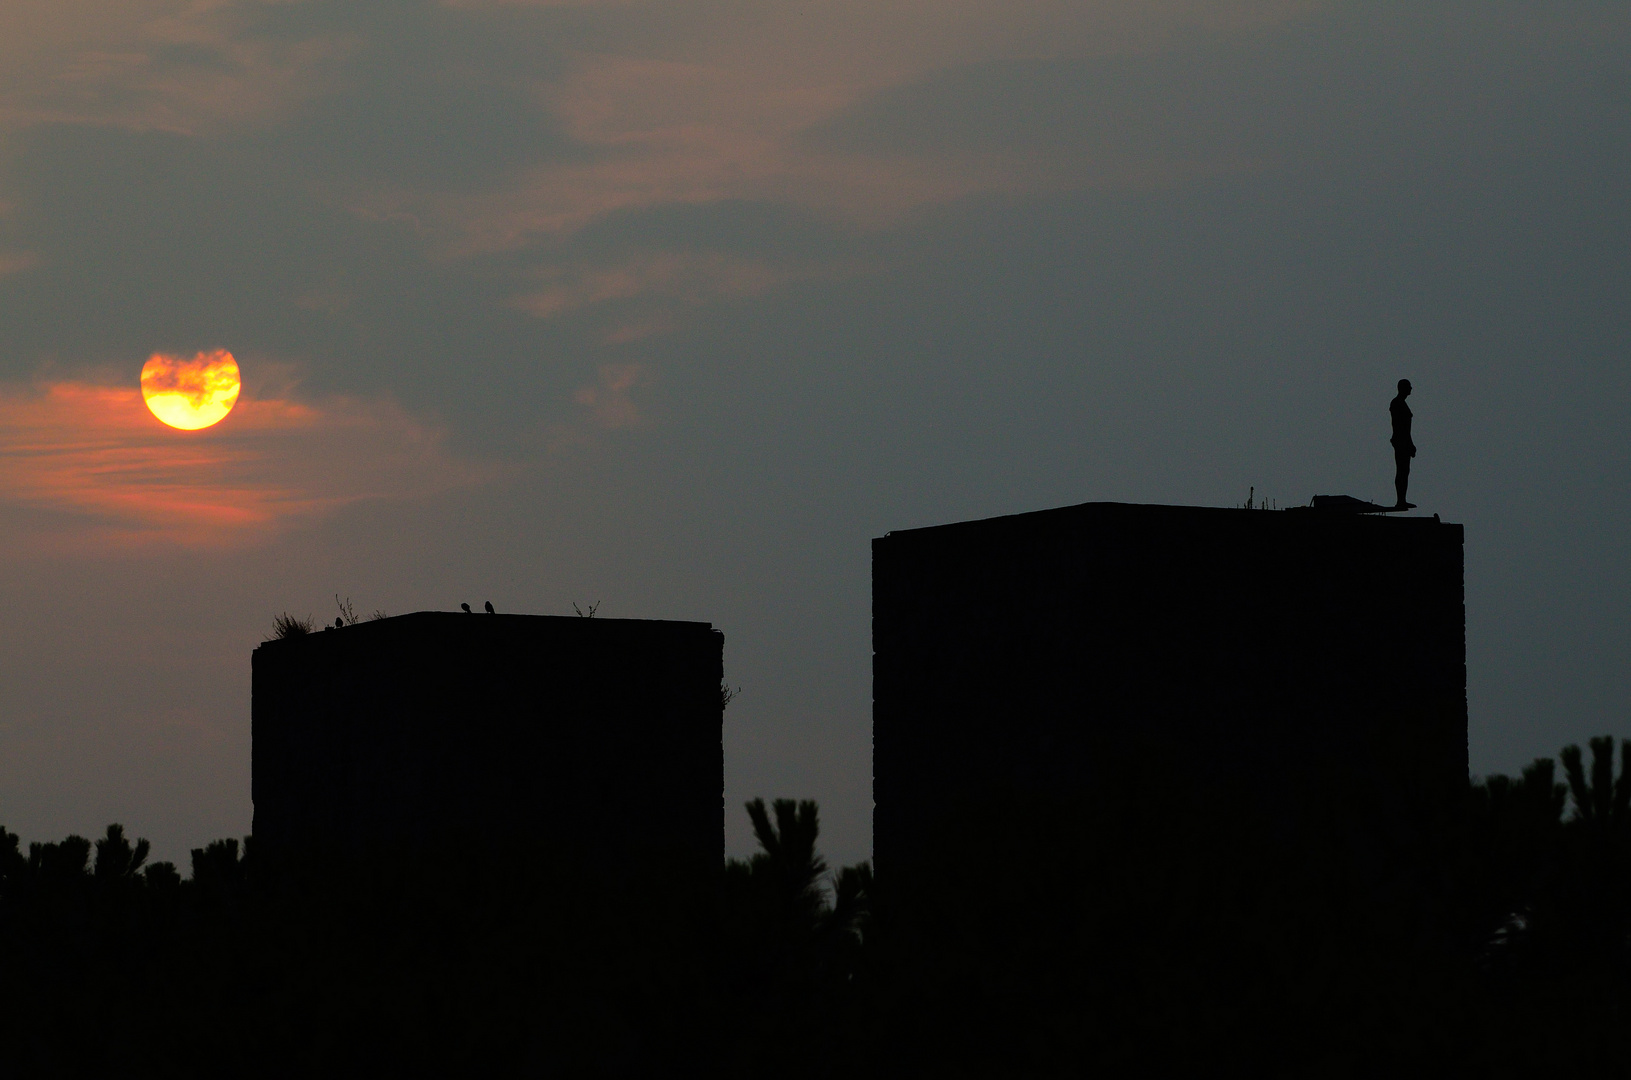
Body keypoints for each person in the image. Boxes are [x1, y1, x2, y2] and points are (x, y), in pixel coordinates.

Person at [1390, 379, 1415, 508]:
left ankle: (1402, 499)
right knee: (1402, 470)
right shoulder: (1397, 403)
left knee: (1404, 471)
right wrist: (1407, 443)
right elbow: (1400, 426)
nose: (1411, 389)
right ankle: (1400, 500)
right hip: (1401, 442)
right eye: (1409, 387)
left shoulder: (1400, 403)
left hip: (1404, 441)